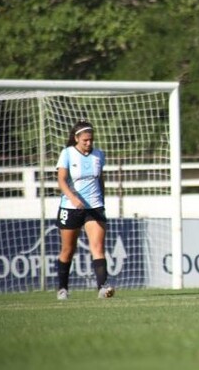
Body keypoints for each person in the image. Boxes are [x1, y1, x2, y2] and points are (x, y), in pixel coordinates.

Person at [55, 120, 114, 300]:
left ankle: (102, 288)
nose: (89, 143)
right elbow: (62, 180)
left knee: (98, 247)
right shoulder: (67, 154)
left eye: (91, 140)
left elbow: (100, 179)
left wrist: (101, 200)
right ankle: (62, 289)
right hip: (71, 208)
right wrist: (73, 199)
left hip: (94, 207)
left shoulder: (98, 155)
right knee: (68, 250)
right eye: (85, 140)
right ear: (76, 138)